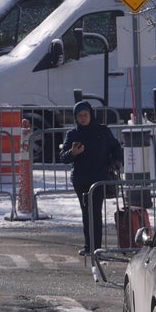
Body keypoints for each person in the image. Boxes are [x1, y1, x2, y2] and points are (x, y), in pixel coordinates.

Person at [59, 101, 124, 256]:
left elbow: (116, 147)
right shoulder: (73, 134)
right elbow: (63, 157)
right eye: (80, 116)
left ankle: (96, 247)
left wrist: (117, 161)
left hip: (99, 178)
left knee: (95, 212)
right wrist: (73, 153)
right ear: (76, 117)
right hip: (81, 180)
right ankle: (89, 246)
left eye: (85, 115)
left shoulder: (102, 131)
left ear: (91, 115)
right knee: (86, 213)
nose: (83, 118)